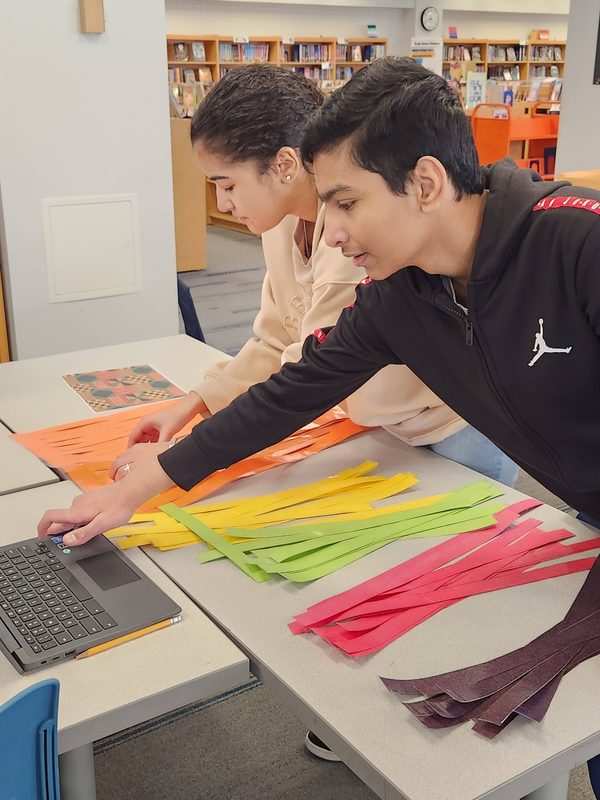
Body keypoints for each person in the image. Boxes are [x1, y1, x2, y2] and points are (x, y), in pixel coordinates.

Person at [38, 56, 600, 778]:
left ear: (425, 184)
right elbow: (289, 393)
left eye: (346, 202)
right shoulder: (399, 296)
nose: (330, 232)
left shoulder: (577, 245)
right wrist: (138, 488)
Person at [112, 64, 515, 488]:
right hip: (388, 426)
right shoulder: (281, 225)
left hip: (453, 429)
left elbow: (307, 372)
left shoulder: (357, 240)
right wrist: (197, 401)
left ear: (285, 165)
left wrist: (180, 457)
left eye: (228, 185)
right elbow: (276, 339)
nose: (223, 203)